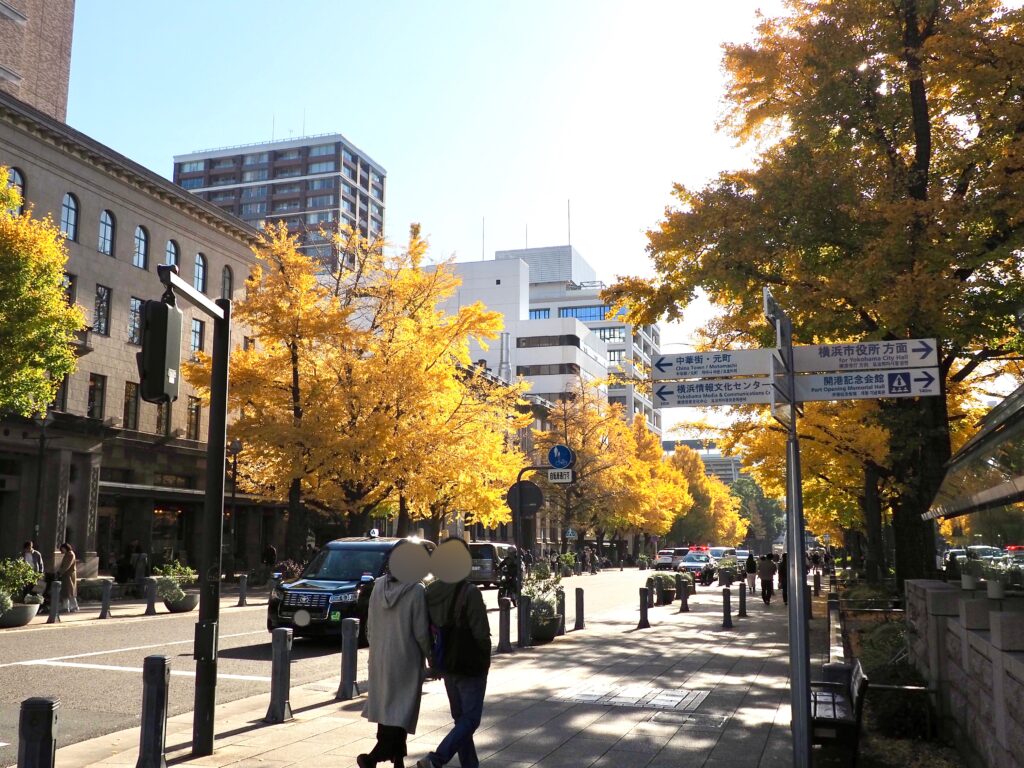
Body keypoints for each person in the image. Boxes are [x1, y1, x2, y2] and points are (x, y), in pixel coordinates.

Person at [359, 542, 432, 768]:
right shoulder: (417, 590)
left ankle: (397, 758)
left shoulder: (378, 586)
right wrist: (431, 657)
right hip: (406, 657)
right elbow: (421, 631)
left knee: (386, 710)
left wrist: (376, 648)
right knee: (401, 711)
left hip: (380, 657)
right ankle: (374, 757)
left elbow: (369, 625)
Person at [419, 542, 491, 768]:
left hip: (445, 661)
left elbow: (425, 628)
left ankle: (470, 764)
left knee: (461, 718)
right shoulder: (470, 592)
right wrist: (485, 660)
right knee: (471, 719)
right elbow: (481, 632)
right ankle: (436, 759)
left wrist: (432, 657)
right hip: (469, 662)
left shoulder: (429, 591)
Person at [57, 541, 78, 612]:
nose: (61, 551)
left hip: (69, 575)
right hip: (66, 575)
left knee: (69, 591)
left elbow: (67, 565)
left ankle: (73, 606)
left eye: (62, 549)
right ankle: (67, 607)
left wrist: (60, 572)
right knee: (66, 591)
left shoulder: (70, 554)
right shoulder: (68, 554)